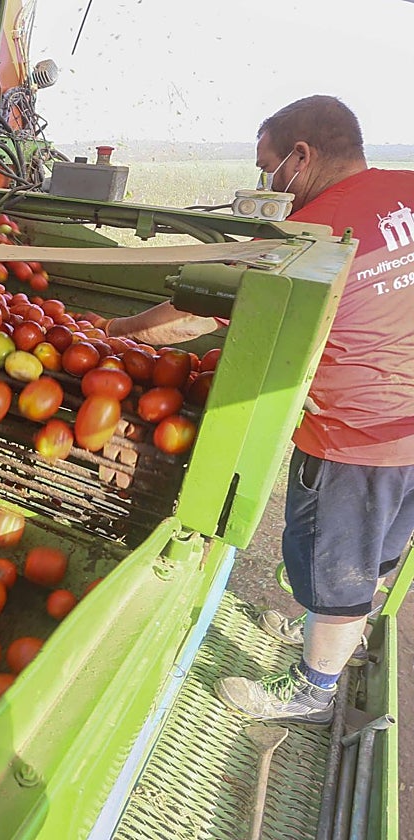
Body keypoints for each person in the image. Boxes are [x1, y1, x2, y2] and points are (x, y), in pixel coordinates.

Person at [102, 95, 414, 724]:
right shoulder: (406, 187)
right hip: (403, 428)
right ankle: (322, 623)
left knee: (339, 563)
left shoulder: (312, 233)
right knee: (370, 555)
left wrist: (116, 333)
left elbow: (189, 316)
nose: (266, 182)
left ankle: (311, 690)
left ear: (301, 156)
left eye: (267, 166)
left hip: (357, 438)